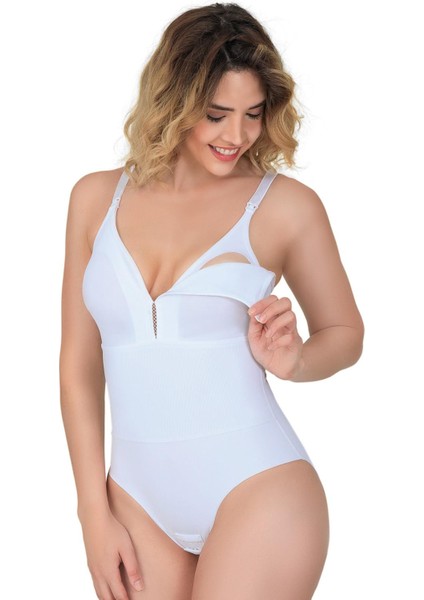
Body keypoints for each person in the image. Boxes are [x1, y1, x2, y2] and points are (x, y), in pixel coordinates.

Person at [59, 3, 364, 599]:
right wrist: (91, 512)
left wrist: (298, 360)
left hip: (258, 486)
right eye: (216, 114)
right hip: (135, 498)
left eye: (254, 114)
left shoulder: (284, 206)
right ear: (172, 101)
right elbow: (78, 364)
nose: (237, 136)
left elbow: (345, 333)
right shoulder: (94, 199)